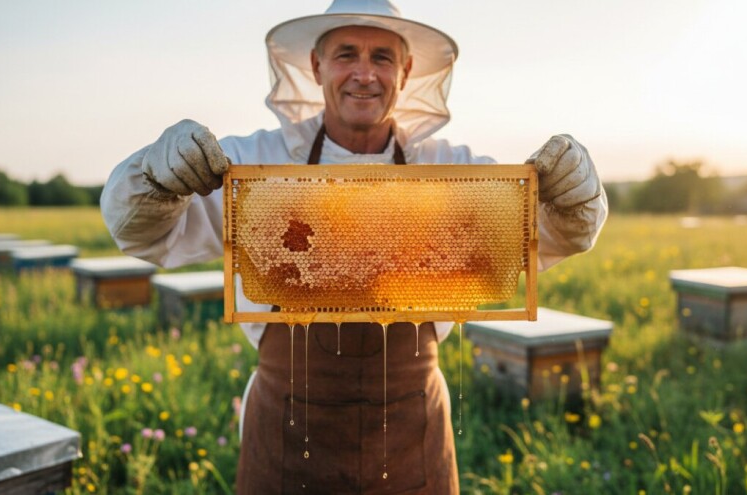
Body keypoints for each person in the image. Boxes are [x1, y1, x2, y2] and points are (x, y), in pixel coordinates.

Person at [100, 0, 607, 492]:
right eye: (347, 54)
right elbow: (141, 233)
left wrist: (575, 192)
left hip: (413, 427)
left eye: (382, 57)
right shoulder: (254, 161)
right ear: (317, 65)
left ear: (405, 72)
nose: (364, 74)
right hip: (287, 423)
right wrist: (154, 175)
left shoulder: (451, 169)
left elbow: (556, 233)